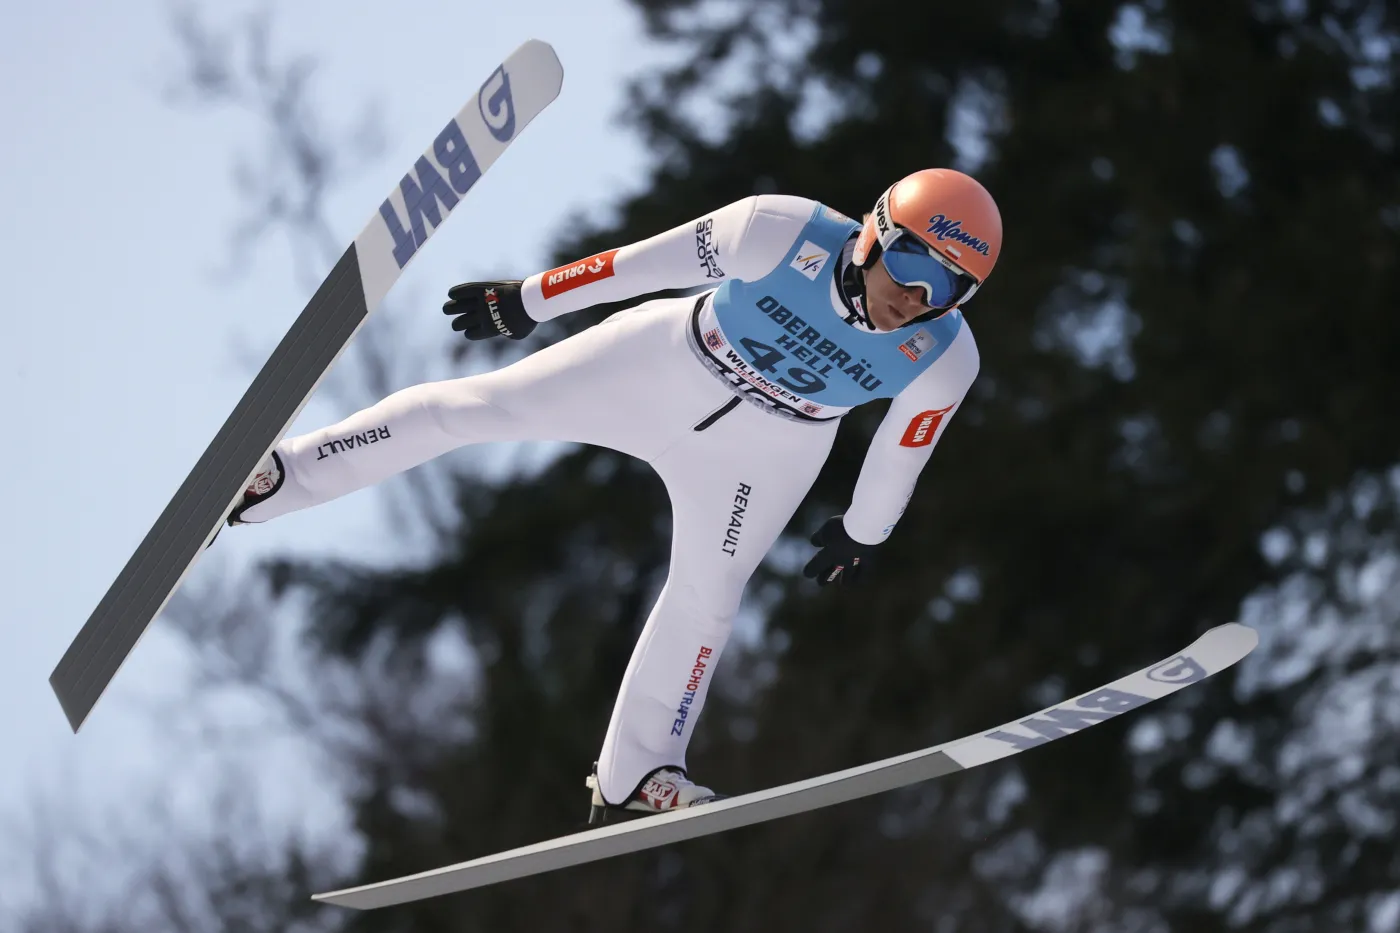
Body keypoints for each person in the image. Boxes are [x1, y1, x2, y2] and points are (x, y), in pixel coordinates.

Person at [226, 168, 1003, 823]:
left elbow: (906, 451)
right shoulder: (781, 230)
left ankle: (638, 772)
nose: (915, 298)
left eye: (948, 288)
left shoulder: (942, 355)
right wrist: (531, 299)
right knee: (470, 409)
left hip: (769, 450)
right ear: (871, 235)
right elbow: (643, 264)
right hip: (663, 363)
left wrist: (866, 531)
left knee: (710, 597)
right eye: (911, 267)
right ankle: (282, 474)